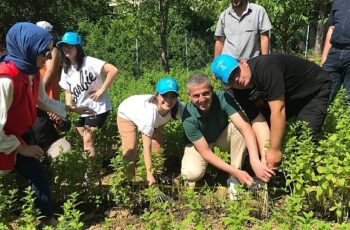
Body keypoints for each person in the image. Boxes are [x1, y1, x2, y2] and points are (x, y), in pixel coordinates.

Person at [0, 22, 94, 227]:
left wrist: (70, 110)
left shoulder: (30, 72)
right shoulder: (5, 80)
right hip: (4, 140)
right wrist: (21, 148)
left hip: (14, 137)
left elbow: (42, 100)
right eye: (45, 51)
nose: (50, 57)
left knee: (36, 171)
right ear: (28, 48)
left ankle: (47, 219)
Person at [211, 54, 330, 170]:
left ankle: (309, 178)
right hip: (285, 97)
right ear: (226, 84)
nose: (236, 79)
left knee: (304, 139)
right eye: (230, 79)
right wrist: (266, 156)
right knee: (262, 143)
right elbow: (258, 120)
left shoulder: (265, 68)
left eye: (236, 72)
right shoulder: (238, 91)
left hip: (312, 91)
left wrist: (274, 149)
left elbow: (278, 110)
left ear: (243, 63)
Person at [181, 73, 274, 193]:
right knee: (191, 174)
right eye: (196, 96)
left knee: (239, 129)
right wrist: (236, 172)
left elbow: (246, 128)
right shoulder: (188, 117)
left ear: (212, 90)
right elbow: (206, 152)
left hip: (220, 139)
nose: (202, 99)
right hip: (199, 147)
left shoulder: (223, 98)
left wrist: (254, 161)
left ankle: (234, 179)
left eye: (206, 93)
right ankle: (235, 173)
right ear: (189, 96)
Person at [57, 32, 118, 157]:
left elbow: (113, 70)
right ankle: (99, 161)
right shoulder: (66, 69)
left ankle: (90, 174)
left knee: (88, 141)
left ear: (78, 48)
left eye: (70, 46)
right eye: (64, 46)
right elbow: (68, 90)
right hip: (81, 110)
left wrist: (102, 90)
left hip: (97, 108)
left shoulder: (88, 61)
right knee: (85, 141)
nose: (66, 49)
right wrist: (71, 106)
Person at [117, 77, 185, 186]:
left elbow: (193, 118)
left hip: (155, 121)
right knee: (131, 147)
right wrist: (148, 173)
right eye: (165, 95)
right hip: (127, 114)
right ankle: (127, 180)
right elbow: (146, 145)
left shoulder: (178, 107)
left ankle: (157, 175)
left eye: (173, 96)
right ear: (157, 95)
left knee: (157, 143)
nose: (169, 100)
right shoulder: (149, 112)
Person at [321, 0, 350, 104]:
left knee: (348, 99)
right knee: (323, 93)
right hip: (334, 53)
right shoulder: (338, 2)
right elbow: (331, 29)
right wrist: (324, 58)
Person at [36, 21, 62, 100]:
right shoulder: (41, 50)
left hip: (47, 93)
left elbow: (50, 71)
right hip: (42, 92)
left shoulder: (53, 50)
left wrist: (38, 91)